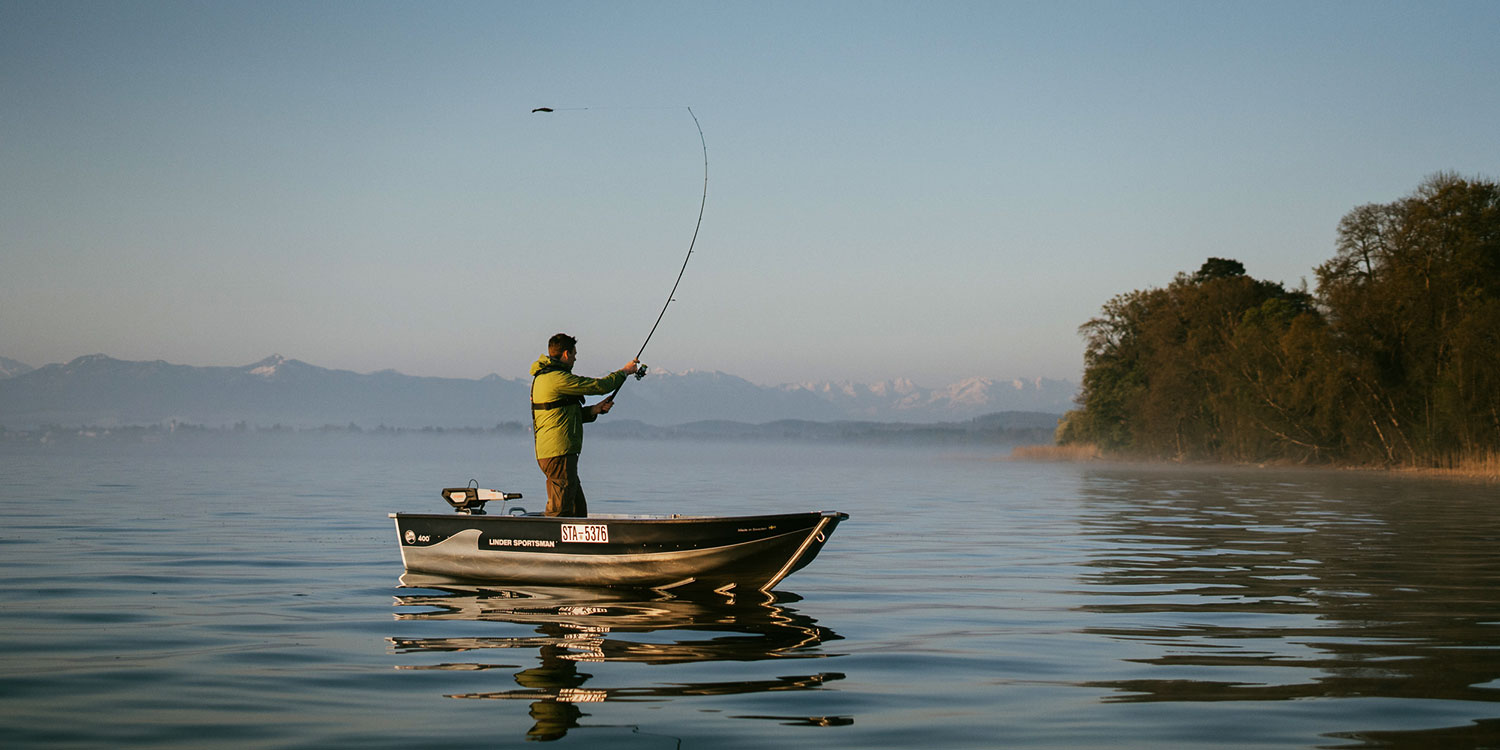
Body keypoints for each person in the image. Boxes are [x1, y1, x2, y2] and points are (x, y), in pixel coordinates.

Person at [529, 333, 639, 517]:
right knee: (560, 512)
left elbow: (565, 413)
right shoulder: (556, 379)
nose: (575, 358)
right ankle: (551, 543)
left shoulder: (549, 378)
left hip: (559, 452)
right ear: (565, 354)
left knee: (577, 510)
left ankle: (579, 543)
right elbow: (599, 386)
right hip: (558, 452)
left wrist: (594, 410)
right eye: (574, 354)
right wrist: (625, 371)